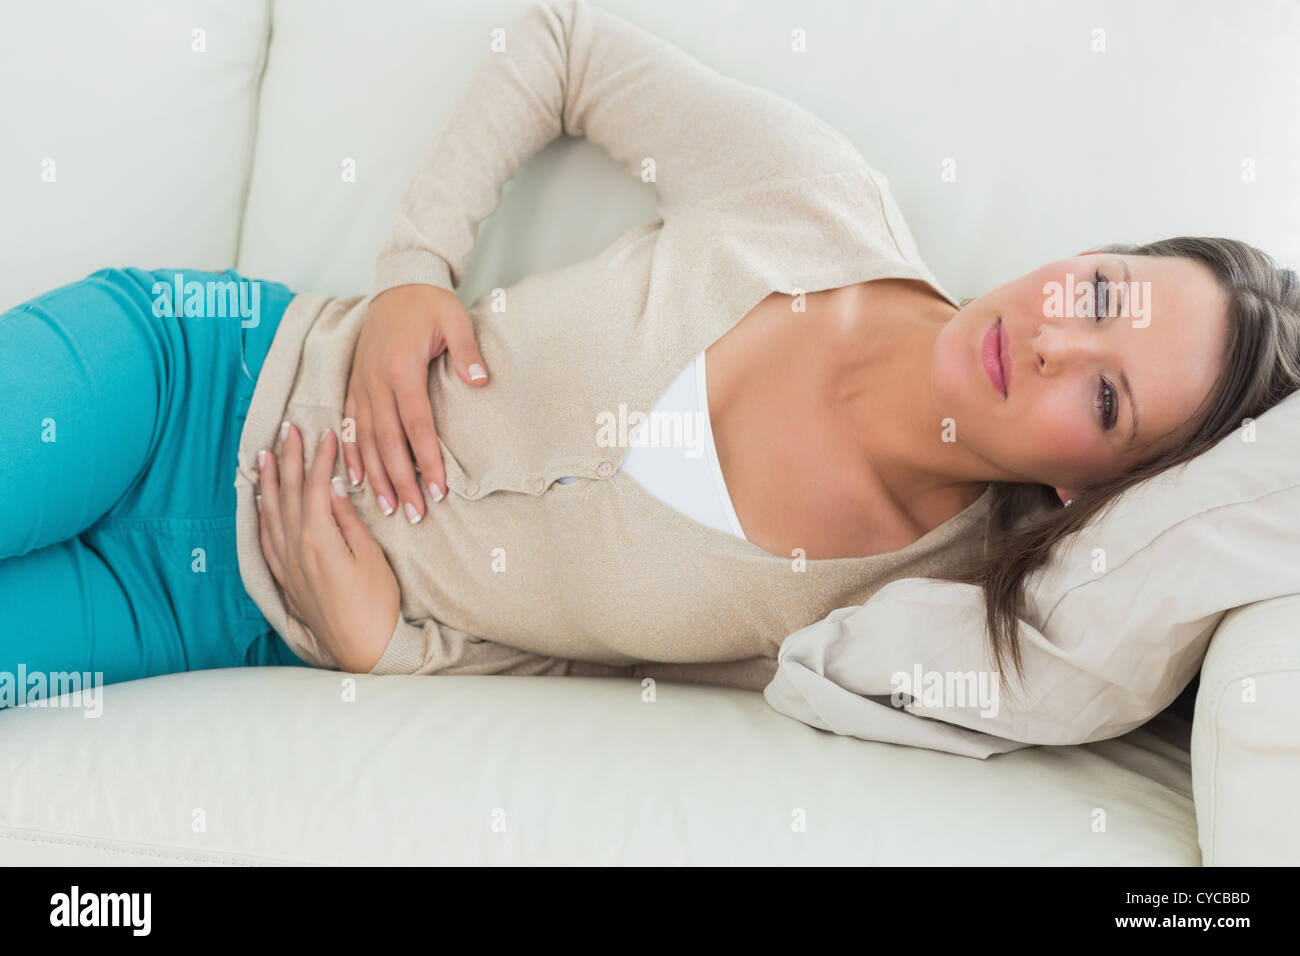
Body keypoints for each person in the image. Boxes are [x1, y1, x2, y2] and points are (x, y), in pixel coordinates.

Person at [3, 1, 1297, 709]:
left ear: (1088, 490)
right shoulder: (814, 206)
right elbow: (566, 43)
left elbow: (583, 663)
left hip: (216, 609)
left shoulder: (889, 614)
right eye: (1106, 293)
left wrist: (382, 646)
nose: (1057, 338)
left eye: (1109, 397)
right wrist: (412, 273)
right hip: (199, 372)